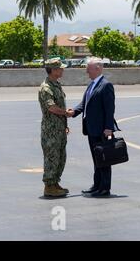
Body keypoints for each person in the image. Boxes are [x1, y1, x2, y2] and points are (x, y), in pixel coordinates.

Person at [68, 57, 118, 197]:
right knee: (96, 159)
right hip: (91, 129)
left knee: (104, 159)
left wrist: (108, 127)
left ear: (97, 68)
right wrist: (74, 112)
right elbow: (85, 103)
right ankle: (96, 185)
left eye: (88, 69)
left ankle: (105, 188)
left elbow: (110, 109)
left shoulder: (106, 85)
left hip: (102, 129)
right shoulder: (92, 84)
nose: (86, 72)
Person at [38, 58, 71, 197]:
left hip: (59, 128)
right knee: (52, 157)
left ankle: (55, 183)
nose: (62, 70)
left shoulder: (56, 85)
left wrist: (64, 123)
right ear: (53, 70)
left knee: (60, 157)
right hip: (51, 130)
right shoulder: (46, 88)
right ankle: (49, 186)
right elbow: (51, 108)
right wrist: (66, 113)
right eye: (60, 68)